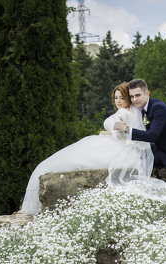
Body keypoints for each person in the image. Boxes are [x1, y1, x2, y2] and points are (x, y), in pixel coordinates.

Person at [20, 82, 152, 215]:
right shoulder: (133, 111)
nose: (118, 101)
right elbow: (125, 133)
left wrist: (106, 133)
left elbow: (119, 134)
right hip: (127, 148)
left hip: (118, 147)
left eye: (122, 98)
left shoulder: (123, 112)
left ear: (128, 99)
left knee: (76, 157)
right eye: (116, 98)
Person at [113, 78, 166, 170]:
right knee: (129, 151)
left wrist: (126, 129)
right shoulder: (140, 108)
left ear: (147, 93)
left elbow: (152, 135)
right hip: (159, 148)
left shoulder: (158, 108)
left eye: (138, 95)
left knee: (134, 157)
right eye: (132, 96)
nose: (134, 99)